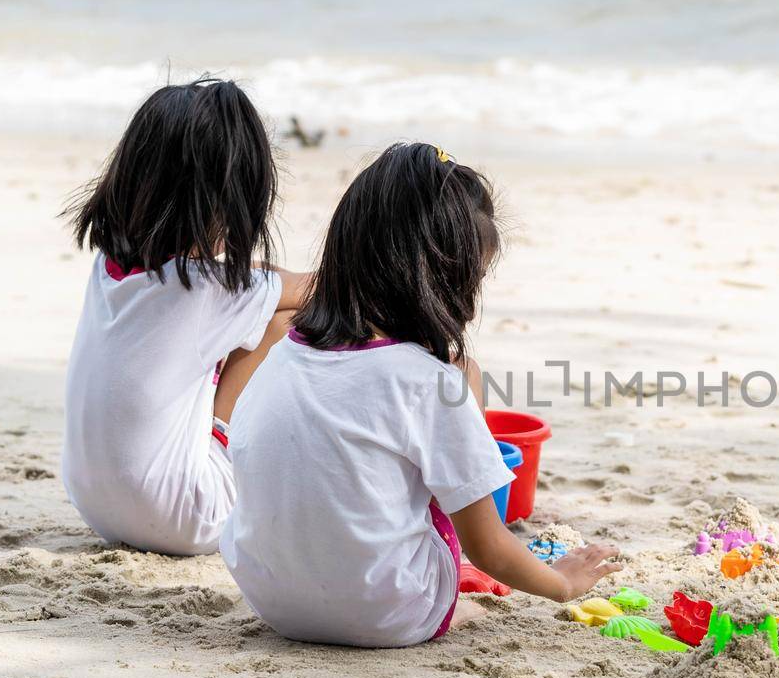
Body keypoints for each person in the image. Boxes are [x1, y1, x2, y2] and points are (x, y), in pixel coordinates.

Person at [221, 143, 621, 647]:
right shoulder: (429, 380)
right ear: (445, 281)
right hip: (384, 614)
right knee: (463, 375)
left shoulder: (282, 351)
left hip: (272, 600)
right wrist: (562, 583)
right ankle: (451, 603)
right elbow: (488, 547)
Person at [60, 79, 307, 556]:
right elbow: (315, 288)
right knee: (289, 320)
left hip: (95, 505)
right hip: (188, 516)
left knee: (258, 306)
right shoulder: (212, 291)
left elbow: (238, 281)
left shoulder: (110, 269)